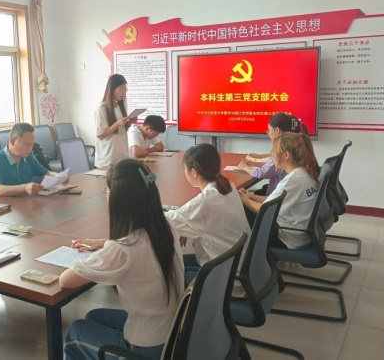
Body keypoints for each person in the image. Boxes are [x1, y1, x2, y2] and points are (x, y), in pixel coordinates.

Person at [60, 159, 184, 360]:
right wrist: (102, 243)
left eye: (107, 190)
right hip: (172, 332)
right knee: (94, 317)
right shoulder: (166, 225)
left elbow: (65, 280)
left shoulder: (123, 250)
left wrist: (103, 251)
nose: (105, 194)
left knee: (76, 331)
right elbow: (138, 244)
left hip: (146, 349)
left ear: (120, 199)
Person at [165, 143, 251, 284]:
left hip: (226, 279)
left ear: (194, 172)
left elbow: (165, 220)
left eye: (184, 168)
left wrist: (184, 225)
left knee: (169, 271)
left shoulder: (204, 203)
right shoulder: (227, 186)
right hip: (242, 265)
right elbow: (191, 218)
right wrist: (186, 228)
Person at [239, 132, 320, 248]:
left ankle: (251, 254)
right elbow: (274, 200)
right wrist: (250, 196)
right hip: (301, 232)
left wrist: (245, 200)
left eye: (274, 152)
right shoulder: (303, 172)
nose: (272, 157)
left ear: (286, 155)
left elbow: (266, 209)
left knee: (243, 209)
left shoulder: (292, 181)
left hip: (289, 237)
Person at [237, 113, 306, 196]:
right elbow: (272, 163)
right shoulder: (295, 145)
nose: (268, 133)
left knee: (245, 195)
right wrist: (256, 162)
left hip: (277, 196)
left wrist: (245, 168)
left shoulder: (282, 150)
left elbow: (262, 173)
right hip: (281, 194)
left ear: (277, 130)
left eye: (269, 130)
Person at [0, 122, 58, 200]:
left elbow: (46, 173)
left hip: (21, 201)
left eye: (32, 145)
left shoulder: (28, 158)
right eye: (27, 144)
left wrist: (58, 176)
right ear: (12, 141)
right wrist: (24, 188)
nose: (30, 149)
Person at [94, 73, 136, 168]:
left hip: (122, 158)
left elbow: (120, 131)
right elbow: (101, 135)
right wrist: (117, 123)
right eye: (121, 88)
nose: (124, 92)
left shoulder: (119, 106)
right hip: (107, 160)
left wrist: (129, 123)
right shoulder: (102, 109)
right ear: (112, 89)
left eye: (125, 89)